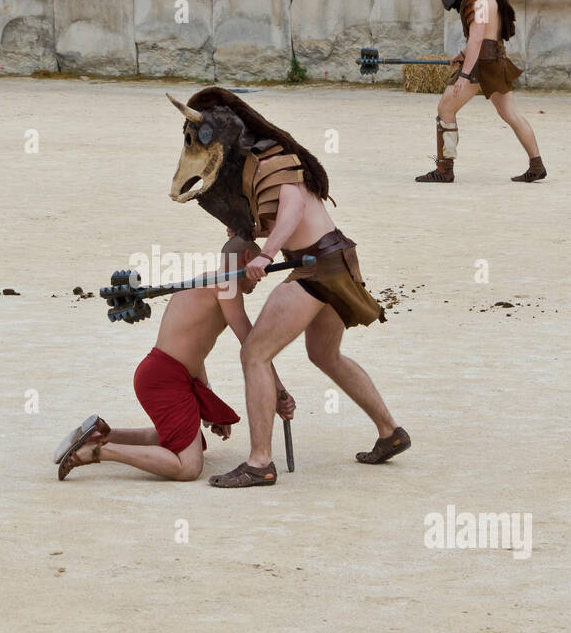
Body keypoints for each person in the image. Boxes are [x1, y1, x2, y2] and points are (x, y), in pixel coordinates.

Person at [167, 88, 409, 488]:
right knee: (325, 354)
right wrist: (245, 238)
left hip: (315, 265)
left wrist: (266, 255)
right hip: (333, 258)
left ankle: (260, 462)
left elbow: (293, 206)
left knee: (255, 354)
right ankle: (390, 432)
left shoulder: (270, 156)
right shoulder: (251, 163)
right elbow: (271, 217)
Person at [54, 236, 295, 481]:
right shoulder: (226, 284)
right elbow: (252, 344)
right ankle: (97, 452)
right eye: (262, 266)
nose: (263, 275)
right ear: (246, 258)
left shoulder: (206, 281)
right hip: (164, 378)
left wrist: (206, 402)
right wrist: (278, 391)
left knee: (179, 438)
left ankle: (103, 434)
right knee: (188, 466)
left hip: (163, 373)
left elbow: (195, 351)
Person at [416, 0, 546, 183]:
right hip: (491, 60)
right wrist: (463, 54)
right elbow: (485, 37)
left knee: (445, 107)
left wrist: (465, 74)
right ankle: (537, 165)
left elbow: (477, 38)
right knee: (511, 114)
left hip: (482, 65)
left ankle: (444, 170)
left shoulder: (481, 0)